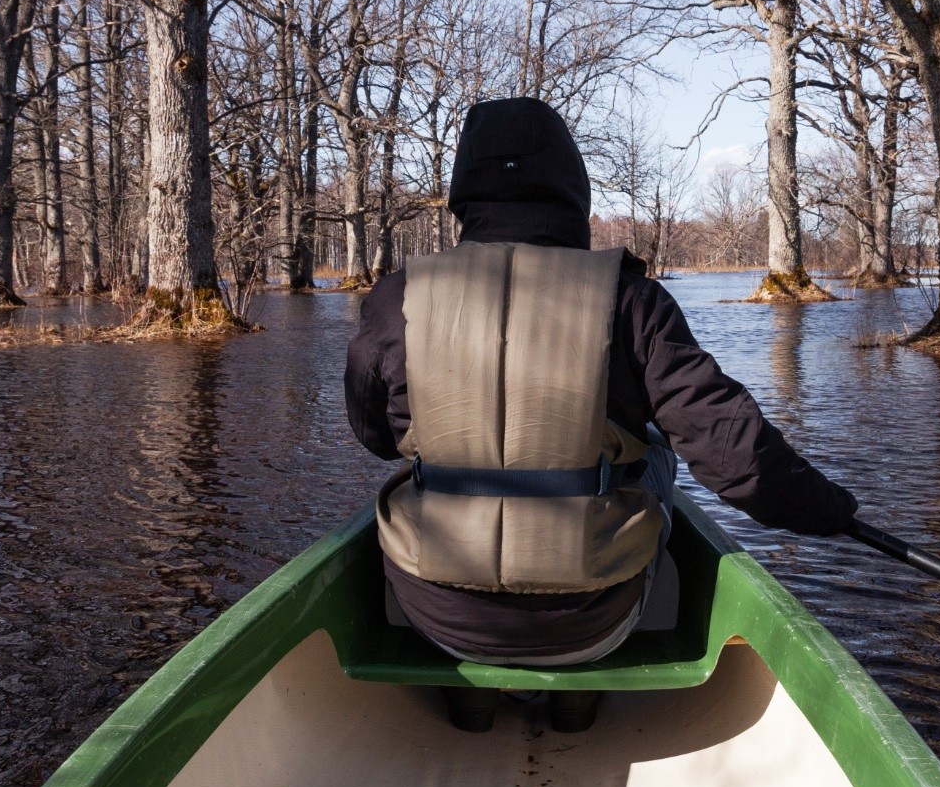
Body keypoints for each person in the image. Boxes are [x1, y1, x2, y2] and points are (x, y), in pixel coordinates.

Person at [344, 97, 857, 728]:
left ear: (464, 190)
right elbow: (734, 454)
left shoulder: (398, 297)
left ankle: (470, 706)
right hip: (595, 619)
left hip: (437, 615)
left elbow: (373, 435)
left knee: (428, 459)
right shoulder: (631, 298)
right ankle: (576, 706)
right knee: (658, 450)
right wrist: (826, 509)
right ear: (571, 188)